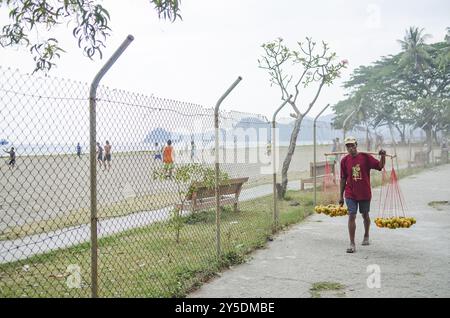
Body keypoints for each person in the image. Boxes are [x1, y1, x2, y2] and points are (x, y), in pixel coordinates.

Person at [339, 136, 386, 254]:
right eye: (348, 146)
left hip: (364, 193)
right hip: (350, 193)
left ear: (356, 145)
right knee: (352, 215)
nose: (350, 148)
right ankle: (352, 243)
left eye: (352, 145)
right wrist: (340, 195)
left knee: (365, 215)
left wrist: (383, 156)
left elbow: (380, 166)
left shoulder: (365, 157)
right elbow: (343, 178)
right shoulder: (344, 161)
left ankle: (366, 235)